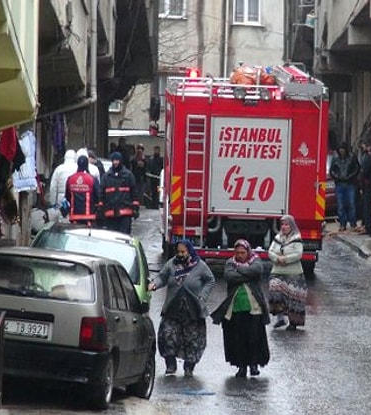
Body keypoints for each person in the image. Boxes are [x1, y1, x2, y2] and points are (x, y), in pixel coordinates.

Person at [148, 240, 215, 377]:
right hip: (173, 308)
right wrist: (154, 284)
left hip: (193, 310)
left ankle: (189, 366)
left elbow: (210, 280)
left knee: (193, 340)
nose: (180, 254)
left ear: (189, 251)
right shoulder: (171, 264)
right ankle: (170, 365)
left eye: (183, 252)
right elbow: (162, 277)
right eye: (178, 252)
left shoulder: (200, 266)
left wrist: (203, 296)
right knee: (168, 336)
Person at [211, 239, 271, 378]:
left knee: (254, 338)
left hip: (254, 308)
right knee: (239, 339)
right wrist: (247, 274)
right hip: (236, 308)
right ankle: (242, 367)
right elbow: (230, 277)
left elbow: (256, 271)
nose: (239, 255)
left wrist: (240, 270)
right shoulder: (229, 263)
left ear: (248, 252)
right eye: (237, 253)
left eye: (243, 253)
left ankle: (254, 365)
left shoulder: (255, 261)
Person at [268, 214, 307, 330]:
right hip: (277, 272)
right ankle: (280, 318)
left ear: (292, 226)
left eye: (286, 225)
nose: (284, 227)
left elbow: (298, 254)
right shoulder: (278, 238)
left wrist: (285, 259)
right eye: (282, 225)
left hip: (294, 274)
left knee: (294, 298)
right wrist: (276, 258)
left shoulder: (297, 239)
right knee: (274, 289)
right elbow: (270, 251)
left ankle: (293, 323)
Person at [100, 151, 139, 234]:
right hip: (110, 214)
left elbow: (134, 193)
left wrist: (135, 208)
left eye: (117, 160)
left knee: (124, 238)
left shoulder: (128, 175)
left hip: (125, 214)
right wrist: (101, 210)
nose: (115, 162)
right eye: (114, 160)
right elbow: (102, 194)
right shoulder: (106, 177)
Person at [329, 143, 360, 231]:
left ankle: (353, 224)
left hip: (350, 184)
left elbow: (357, 168)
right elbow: (332, 171)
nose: (342, 151)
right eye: (340, 149)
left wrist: (350, 176)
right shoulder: (335, 158)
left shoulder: (352, 157)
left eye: (343, 149)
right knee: (340, 205)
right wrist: (337, 177)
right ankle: (343, 224)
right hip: (339, 184)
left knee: (351, 204)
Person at [64, 155, 100, 224]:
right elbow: (98, 197)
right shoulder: (92, 179)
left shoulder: (70, 179)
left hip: (74, 217)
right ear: (87, 164)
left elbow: (67, 197)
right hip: (89, 217)